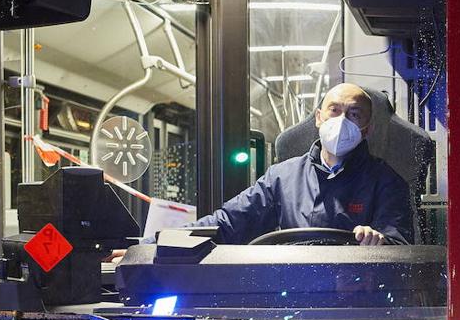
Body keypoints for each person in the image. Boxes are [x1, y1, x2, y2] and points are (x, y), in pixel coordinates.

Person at [171, 83, 412, 246]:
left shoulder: (387, 182)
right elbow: (227, 223)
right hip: (291, 295)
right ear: (319, 118)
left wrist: (379, 242)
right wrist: (156, 244)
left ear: (367, 129)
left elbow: (399, 243)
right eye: (334, 110)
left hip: (356, 300)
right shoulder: (281, 177)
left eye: (354, 115)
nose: (341, 122)